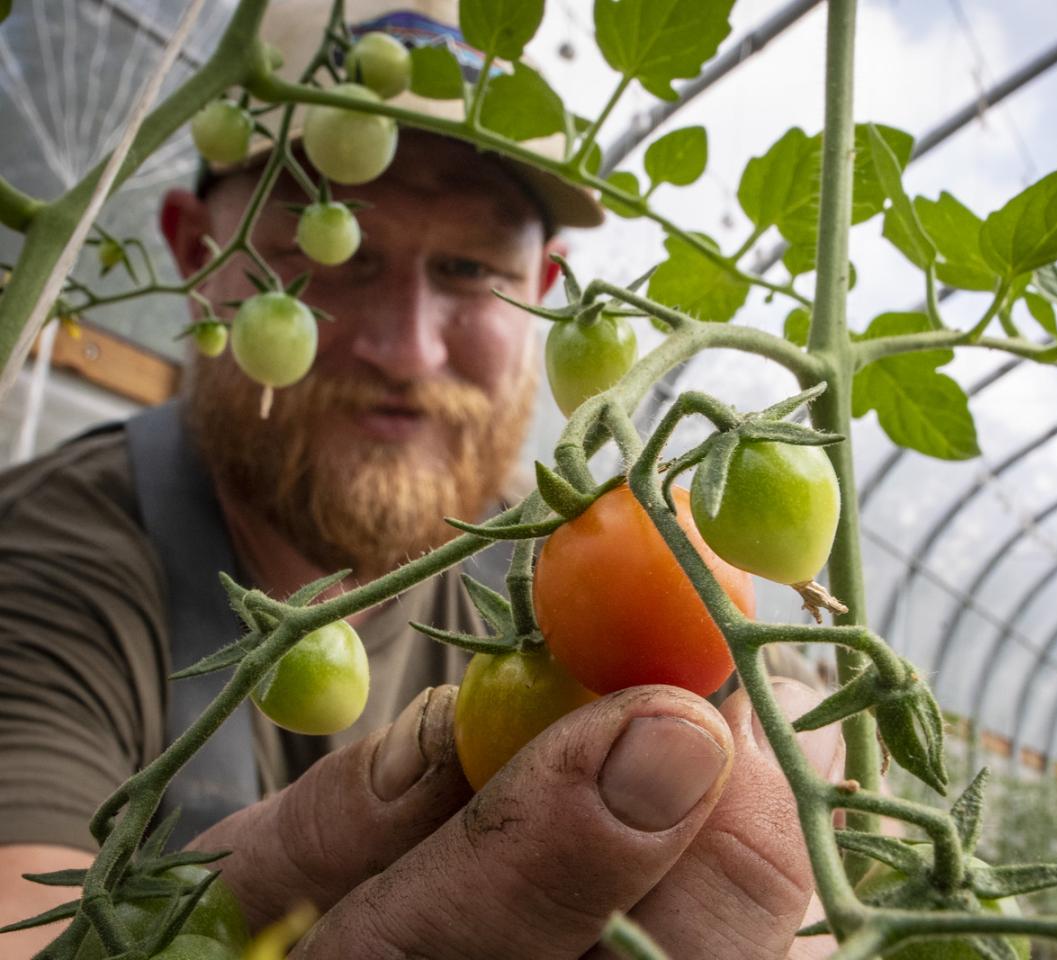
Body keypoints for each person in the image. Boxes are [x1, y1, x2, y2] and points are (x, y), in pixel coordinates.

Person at [0, 2, 842, 957]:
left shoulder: (580, 568)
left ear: (546, 290)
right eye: (334, 254)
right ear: (200, 254)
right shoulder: (47, 567)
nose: (408, 348)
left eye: (469, 268)